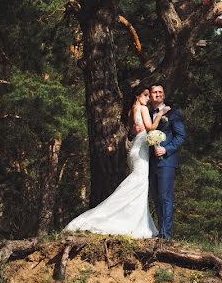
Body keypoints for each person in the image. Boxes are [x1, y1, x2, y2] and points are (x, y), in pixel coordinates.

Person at [63, 88, 169, 237]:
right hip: (140, 153)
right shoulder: (143, 108)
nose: (148, 98)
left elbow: (133, 130)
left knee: (136, 184)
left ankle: (135, 221)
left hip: (135, 151)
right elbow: (151, 128)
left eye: (148, 96)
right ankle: (119, 220)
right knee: (138, 184)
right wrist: (159, 115)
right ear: (137, 96)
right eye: (145, 95)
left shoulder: (133, 110)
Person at [147, 84, 186, 240]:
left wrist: (166, 149)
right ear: (150, 95)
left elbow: (180, 136)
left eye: (160, 92)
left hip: (166, 161)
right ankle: (160, 231)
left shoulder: (173, 113)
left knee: (165, 197)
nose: (158, 95)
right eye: (154, 92)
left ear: (164, 95)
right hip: (150, 163)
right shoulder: (148, 114)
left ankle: (166, 235)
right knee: (156, 198)